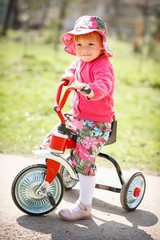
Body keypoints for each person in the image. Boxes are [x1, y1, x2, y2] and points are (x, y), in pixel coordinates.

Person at [58, 15, 115, 221]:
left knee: (84, 159)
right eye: (79, 43)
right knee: (56, 138)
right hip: (78, 117)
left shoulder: (103, 66)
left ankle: (85, 206)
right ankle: (57, 169)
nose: (84, 48)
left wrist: (90, 90)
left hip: (97, 124)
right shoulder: (80, 61)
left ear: (102, 45)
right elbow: (73, 69)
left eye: (91, 43)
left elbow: (104, 85)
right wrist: (68, 76)